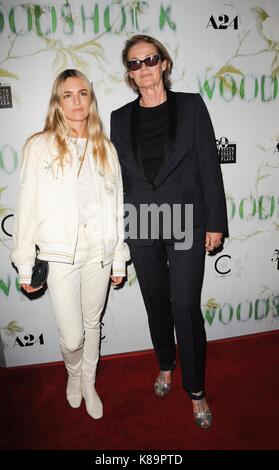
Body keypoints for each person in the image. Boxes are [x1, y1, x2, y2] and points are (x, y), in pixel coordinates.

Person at [110, 35, 228, 429]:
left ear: (164, 63)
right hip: (141, 220)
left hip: (186, 218)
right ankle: (165, 363)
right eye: (134, 63)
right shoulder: (119, 118)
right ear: (129, 73)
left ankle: (195, 390)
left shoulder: (192, 106)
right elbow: (118, 178)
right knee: (156, 301)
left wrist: (215, 222)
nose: (143, 68)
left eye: (149, 59)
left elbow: (210, 165)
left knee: (185, 307)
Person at [11, 69, 130, 420]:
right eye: (68, 95)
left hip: (100, 253)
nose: (77, 102)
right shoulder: (39, 146)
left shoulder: (106, 148)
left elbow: (116, 206)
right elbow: (26, 209)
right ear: (57, 102)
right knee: (73, 336)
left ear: (91, 100)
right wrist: (24, 264)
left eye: (83, 94)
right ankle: (73, 372)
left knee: (93, 324)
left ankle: (89, 381)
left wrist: (119, 259)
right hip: (60, 256)